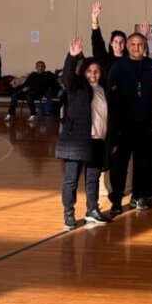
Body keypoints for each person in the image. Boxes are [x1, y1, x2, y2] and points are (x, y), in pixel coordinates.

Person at [56, 37, 111, 230]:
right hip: (77, 141)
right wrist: (72, 57)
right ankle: (69, 213)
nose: (93, 74)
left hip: (98, 142)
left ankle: (92, 210)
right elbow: (67, 77)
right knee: (71, 180)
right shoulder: (77, 86)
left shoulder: (104, 90)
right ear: (83, 72)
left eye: (96, 70)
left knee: (93, 179)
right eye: (89, 71)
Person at [107, 32, 152, 214]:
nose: (136, 47)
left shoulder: (151, 66)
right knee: (119, 165)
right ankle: (116, 199)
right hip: (123, 125)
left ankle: (137, 196)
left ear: (145, 46)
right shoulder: (118, 67)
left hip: (145, 123)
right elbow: (110, 93)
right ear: (127, 47)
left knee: (142, 163)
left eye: (140, 44)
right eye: (133, 44)